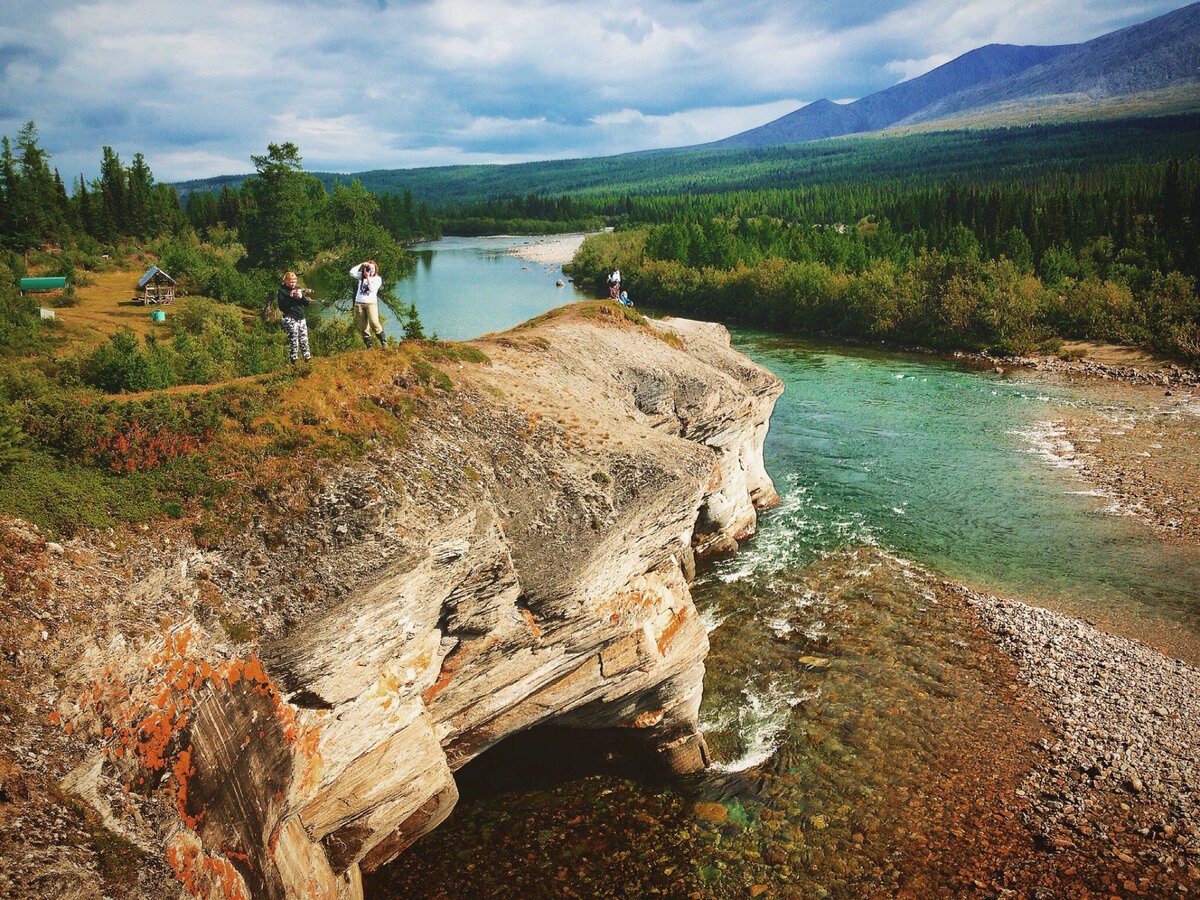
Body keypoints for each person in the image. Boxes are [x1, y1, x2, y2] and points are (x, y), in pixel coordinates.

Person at [275, 271, 312, 363]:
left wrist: (301, 297)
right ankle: (294, 359)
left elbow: (306, 304)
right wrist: (290, 297)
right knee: (293, 339)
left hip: (300, 317)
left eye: (294, 281)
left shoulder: (298, 288)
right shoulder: (282, 291)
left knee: (304, 338)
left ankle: (307, 358)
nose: (293, 283)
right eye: (291, 281)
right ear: (286, 281)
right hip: (290, 317)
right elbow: (282, 307)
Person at [350, 259, 386, 349]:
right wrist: (362, 264)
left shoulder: (377, 279)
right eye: (369, 268)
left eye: (373, 268)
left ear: (376, 269)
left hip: (371, 304)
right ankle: (369, 346)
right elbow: (351, 272)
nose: (371, 270)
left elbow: (372, 289)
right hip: (359, 303)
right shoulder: (361, 276)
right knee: (363, 327)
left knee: (374, 323)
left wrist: (368, 278)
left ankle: (384, 343)